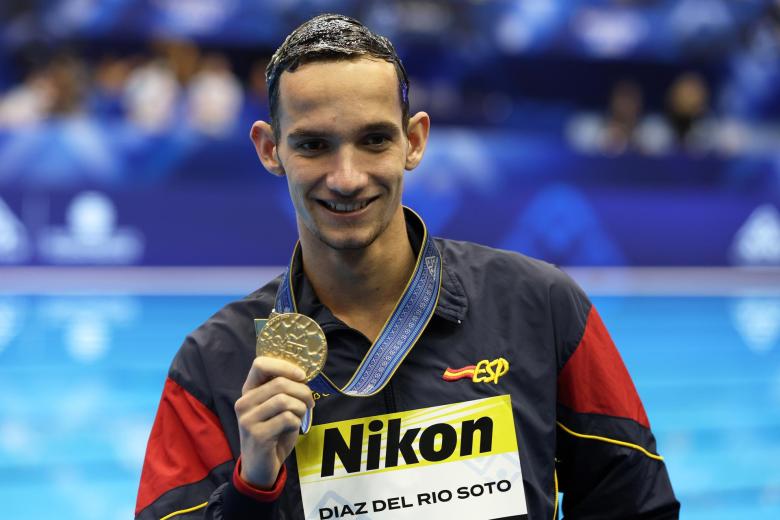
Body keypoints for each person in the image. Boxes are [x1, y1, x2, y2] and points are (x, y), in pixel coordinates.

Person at [135, 14, 680, 520]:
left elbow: (635, 505)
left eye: (374, 140)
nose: (346, 177)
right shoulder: (213, 365)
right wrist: (252, 487)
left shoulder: (541, 306)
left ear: (413, 141)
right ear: (270, 149)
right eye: (313, 145)